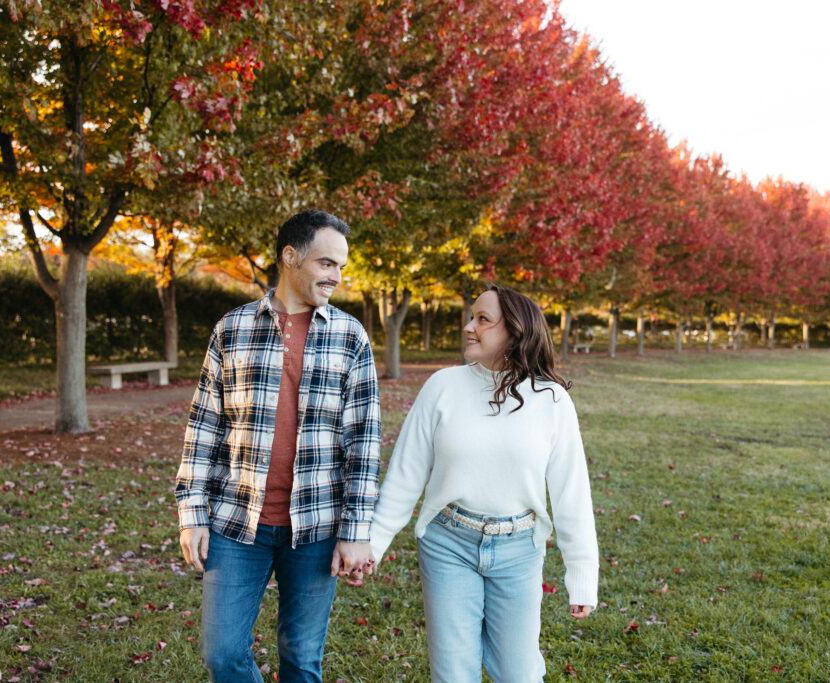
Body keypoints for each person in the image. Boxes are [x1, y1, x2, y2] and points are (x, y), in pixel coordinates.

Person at [175, 210, 381, 683]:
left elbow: (364, 442)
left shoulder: (350, 337)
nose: (336, 276)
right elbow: (204, 426)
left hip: (316, 525)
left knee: (302, 659)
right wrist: (192, 515)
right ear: (290, 257)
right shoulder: (232, 328)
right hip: (236, 521)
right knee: (222, 654)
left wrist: (356, 529)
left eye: (341, 267)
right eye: (327, 263)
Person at [368, 284, 599, 683]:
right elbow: (405, 475)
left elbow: (571, 494)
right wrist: (372, 544)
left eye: (482, 320)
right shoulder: (442, 386)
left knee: (518, 674)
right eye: (471, 317)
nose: (468, 326)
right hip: (448, 544)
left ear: (515, 331)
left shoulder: (552, 400)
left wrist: (581, 574)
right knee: (454, 674)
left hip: (519, 550)